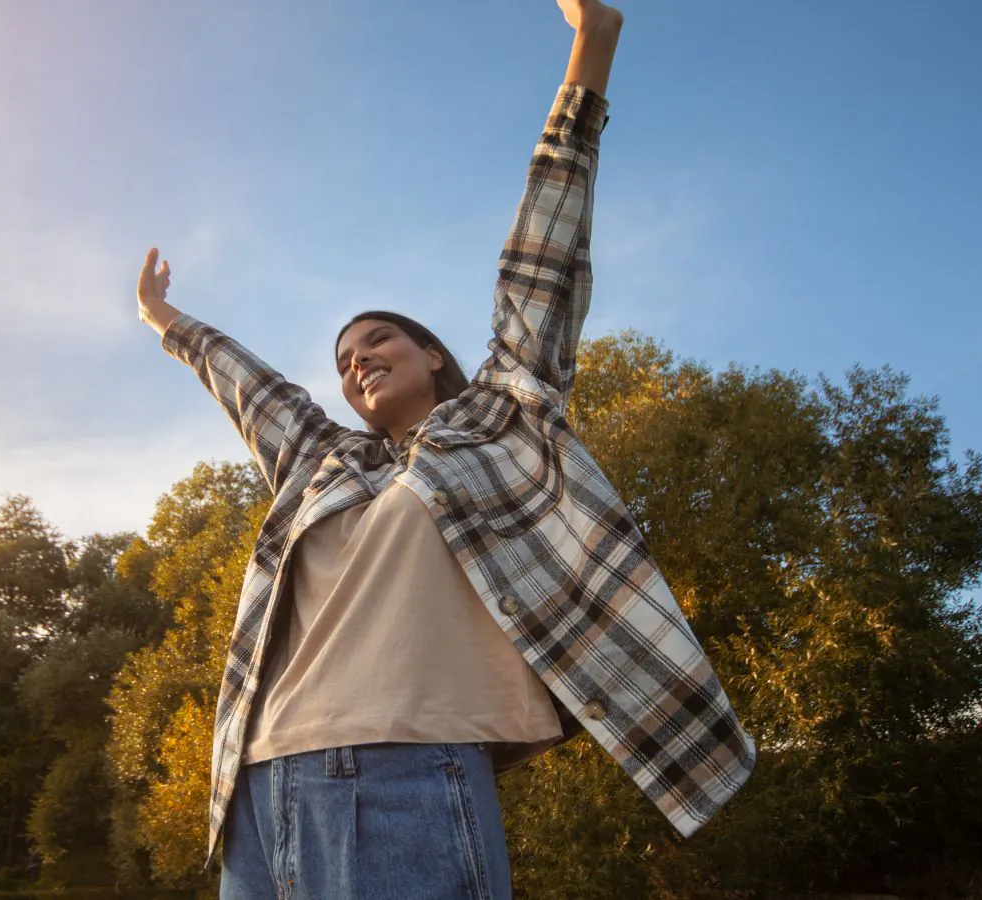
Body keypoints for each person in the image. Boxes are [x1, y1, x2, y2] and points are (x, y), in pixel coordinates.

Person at [134, 2, 754, 897]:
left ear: (432, 353)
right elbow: (251, 386)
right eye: (345, 362)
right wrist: (165, 321)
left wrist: (592, 49)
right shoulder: (324, 463)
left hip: (399, 774)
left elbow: (540, 260)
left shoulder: (503, 415)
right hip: (256, 792)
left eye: (377, 340)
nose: (357, 363)